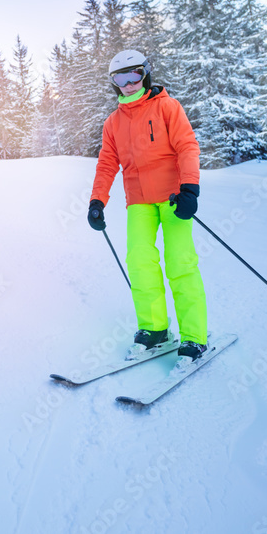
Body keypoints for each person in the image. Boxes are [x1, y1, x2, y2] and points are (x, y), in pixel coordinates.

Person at [87, 50, 209, 361]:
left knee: (181, 263)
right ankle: (154, 328)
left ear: (146, 75)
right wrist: (97, 200)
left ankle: (194, 336)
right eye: (120, 78)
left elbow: (187, 145)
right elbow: (107, 164)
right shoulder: (113, 123)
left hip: (173, 198)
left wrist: (190, 188)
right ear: (113, 83)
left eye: (134, 76)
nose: (128, 84)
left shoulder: (167, 107)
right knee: (140, 263)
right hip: (138, 201)